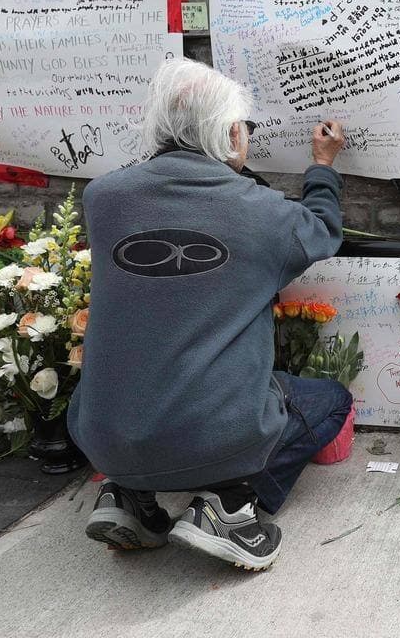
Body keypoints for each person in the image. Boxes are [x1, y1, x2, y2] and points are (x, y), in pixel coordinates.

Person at [68, 57, 352, 571]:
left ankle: (129, 494)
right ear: (229, 133)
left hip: (101, 435)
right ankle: (230, 505)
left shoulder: (102, 198)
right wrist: (322, 167)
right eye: (243, 127)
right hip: (213, 430)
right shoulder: (262, 212)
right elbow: (322, 231)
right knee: (329, 400)